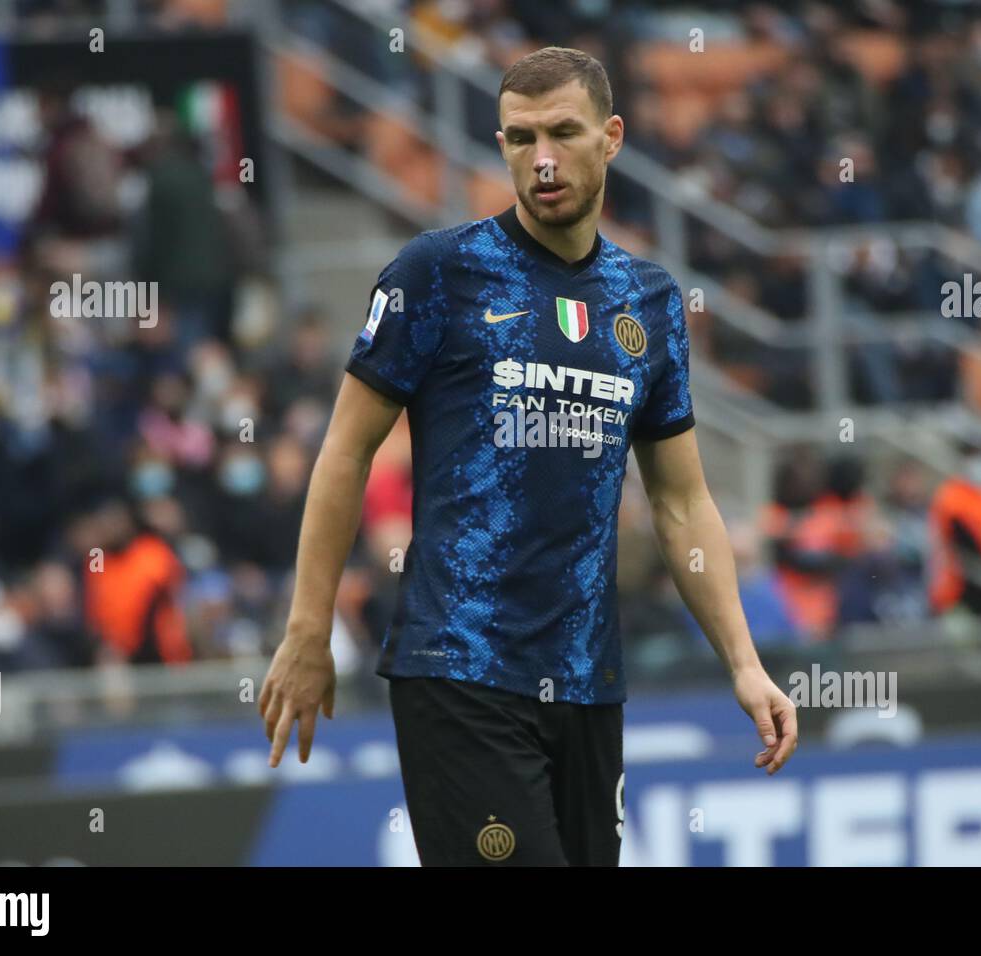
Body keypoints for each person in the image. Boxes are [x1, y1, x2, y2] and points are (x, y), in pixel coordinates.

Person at [259, 47, 798, 866]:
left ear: (612, 137)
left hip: (587, 679)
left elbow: (684, 503)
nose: (541, 160)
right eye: (518, 139)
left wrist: (744, 662)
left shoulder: (647, 302)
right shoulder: (438, 273)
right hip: (460, 667)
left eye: (562, 133)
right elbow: (345, 449)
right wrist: (308, 630)